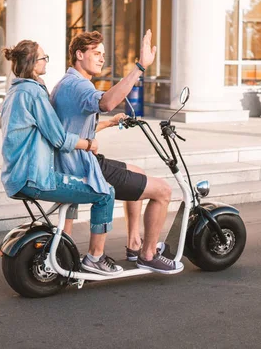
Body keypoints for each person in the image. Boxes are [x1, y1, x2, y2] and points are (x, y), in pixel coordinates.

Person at [50, 30, 183, 275]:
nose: (102, 59)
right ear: (79, 55)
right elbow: (107, 102)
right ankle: (148, 254)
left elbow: (73, 126)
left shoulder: (66, 84)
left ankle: (134, 244)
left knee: (137, 171)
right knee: (163, 191)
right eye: (96, 53)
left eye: (103, 54)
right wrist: (140, 67)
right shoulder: (78, 85)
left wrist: (108, 123)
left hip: (75, 160)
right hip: (82, 166)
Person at [0, 39, 122, 276]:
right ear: (33, 64)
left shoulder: (15, 90)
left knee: (74, 185)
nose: (46, 61)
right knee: (105, 193)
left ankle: (62, 250)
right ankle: (95, 258)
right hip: (34, 176)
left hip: (16, 175)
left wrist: (104, 124)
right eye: (44, 58)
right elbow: (57, 137)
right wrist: (88, 145)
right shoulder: (33, 92)